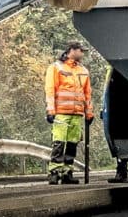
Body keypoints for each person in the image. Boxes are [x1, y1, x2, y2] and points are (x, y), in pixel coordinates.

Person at [44, 41, 94, 185]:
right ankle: (54, 172)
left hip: (77, 114)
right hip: (61, 113)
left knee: (72, 144)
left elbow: (87, 94)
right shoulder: (56, 67)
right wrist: (50, 110)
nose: (82, 54)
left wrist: (89, 113)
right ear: (72, 50)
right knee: (59, 142)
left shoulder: (83, 71)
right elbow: (50, 90)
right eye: (81, 51)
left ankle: (67, 172)